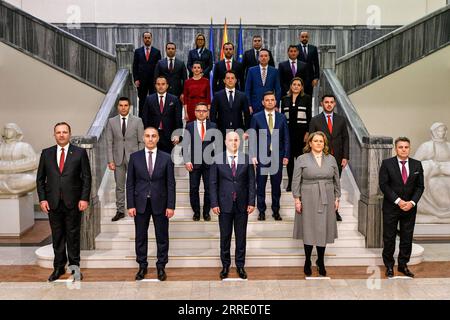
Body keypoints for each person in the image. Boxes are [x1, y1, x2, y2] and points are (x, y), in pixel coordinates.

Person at [36, 122, 92, 282]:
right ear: (54, 134)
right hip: (53, 202)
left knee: (73, 236)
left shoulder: (80, 153)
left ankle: (74, 268)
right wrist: (42, 199)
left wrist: (84, 198)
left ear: (69, 134)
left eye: (65, 132)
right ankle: (58, 268)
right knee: (57, 236)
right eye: (58, 132)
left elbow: (87, 178)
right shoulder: (46, 153)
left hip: (74, 202)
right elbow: (40, 179)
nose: (61, 135)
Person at [126, 127, 176, 281]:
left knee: (162, 236)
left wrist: (171, 205)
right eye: (147, 136)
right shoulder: (134, 157)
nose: (150, 139)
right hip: (140, 203)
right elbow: (130, 183)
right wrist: (130, 205)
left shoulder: (166, 158)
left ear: (158, 138)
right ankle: (142, 266)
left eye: (153, 136)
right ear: (143, 138)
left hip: (160, 203)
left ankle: (161, 266)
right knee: (140, 236)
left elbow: (170, 184)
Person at [292, 131, 340, 277]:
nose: (319, 143)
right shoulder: (301, 159)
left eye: (321, 141)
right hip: (308, 196)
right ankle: (307, 260)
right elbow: (296, 180)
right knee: (309, 228)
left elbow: (336, 179)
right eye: (316, 141)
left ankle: (320, 260)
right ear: (310, 143)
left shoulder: (331, 159)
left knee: (322, 229)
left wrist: (337, 197)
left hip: (327, 195)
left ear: (324, 144)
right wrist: (297, 199)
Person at [210, 131, 256, 280]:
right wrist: (214, 203)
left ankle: (240, 266)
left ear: (240, 142)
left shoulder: (247, 159)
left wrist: (251, 201)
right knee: (225, 236)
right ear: (225, 142)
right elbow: (213, 184)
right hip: (223, 205)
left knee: (241, 237)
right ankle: (225, 266)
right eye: (231, 140)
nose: (234, 142)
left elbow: (251, 183)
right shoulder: (217, 160)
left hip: (242, 204)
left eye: (236, 140)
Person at [379, 137, 424, 278]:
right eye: (400, 147)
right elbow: (384, 185)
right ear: (395, 148)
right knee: (389, 237)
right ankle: (389, 266)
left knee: (407, 237)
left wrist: (412, 203)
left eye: (406, 147)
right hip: (391, 207)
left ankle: (403, 265)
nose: (404, 149)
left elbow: (420, 187)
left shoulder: (417, 165)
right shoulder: (387, 164)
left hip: (410, 208)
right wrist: (398, 201)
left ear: (409, 148)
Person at [250, 91, 289, 221]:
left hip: (277, 156)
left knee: (276, 185)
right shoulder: (256, 117)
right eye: (267, 100)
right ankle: (261, 211)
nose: (270, 102)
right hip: (261, 156)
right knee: (260, 185)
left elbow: (286, 138)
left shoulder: (282, 117)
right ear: (263, 102)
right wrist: (253, 155)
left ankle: (276, 210)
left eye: (272, 100)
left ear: (275, 101)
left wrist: (286, 155)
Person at [309, 94, 349, 221]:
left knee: (335, 185)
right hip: (321, 158)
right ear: (322, 104)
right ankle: (321, 210)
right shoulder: (315, 120)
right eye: (326, 102)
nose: (329, 104)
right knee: (322, 185)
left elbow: (345, 139)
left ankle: (335, 210)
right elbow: (311, 139)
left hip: (337, 158)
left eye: (331, 102)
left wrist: (345, 156)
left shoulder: (341, 120)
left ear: (335, 104)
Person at [106, 97, 144, 222]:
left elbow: (141, 141)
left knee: (136, 185)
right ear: (118, 107)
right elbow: (109, 142)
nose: (123, 107)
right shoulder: (111, 121)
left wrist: (139, 158)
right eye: (121, 105)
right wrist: (110, 160)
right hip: (118, 159)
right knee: (119, 186)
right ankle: (120, 210)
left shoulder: (138, 121)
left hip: (134, 158)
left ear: (129, 106)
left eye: (126, 105)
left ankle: (137, 208)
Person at [183, 102, 217, 222]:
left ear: (207, 113)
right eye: (199, 110)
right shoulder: (189, 126)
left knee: (209, 189)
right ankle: (196, 212)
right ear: (195, 112)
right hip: (194, 162)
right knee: (194, 189)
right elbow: (185, 145)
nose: (201, 113)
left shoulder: (213, 126)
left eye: (204, 110)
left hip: (209, 163)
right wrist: (186, 161)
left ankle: (206, 212)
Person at [280, 77, 312, 192]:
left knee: (300, 159)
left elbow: (309, 116)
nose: (296, 86)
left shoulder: (306, 98)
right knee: (289, 160)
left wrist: (308, 132)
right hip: (288, 133)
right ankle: (290, 183)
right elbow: (282, 117)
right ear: (291, 86)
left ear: (302, 87)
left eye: (299, 84)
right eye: (294, 84)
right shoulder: (284, 99)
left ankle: (300, 183)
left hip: (301, 134)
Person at [413, 122, 450, 217]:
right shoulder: (426, 146)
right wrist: (431, 165)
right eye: (439, 130)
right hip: (432, 172)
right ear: (433, 132)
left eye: (443, 130)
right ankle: (433, 209)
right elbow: (415, 164)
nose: (441, 132)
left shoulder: (448, 146)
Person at [142, 76, 183, 154]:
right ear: (155, 85)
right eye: (158, 84)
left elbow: (178, 118)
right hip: (153, 135)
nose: (161, 86)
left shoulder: (174, 99)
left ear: (167, 85)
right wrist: (146, 133)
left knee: (168, 161)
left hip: (169, 135)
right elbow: (145, 117)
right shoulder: (149, 99)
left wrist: (177, 134)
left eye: (163, 84)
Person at [210, 70, 250, 137]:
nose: (230, 80)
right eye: (228, 78)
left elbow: (247, 115)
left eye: (232, 78)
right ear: (224, 80)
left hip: (238, 130)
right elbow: (213, 114)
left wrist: (246, 130)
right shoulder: (217, 95)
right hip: (221, 131)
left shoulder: (242, 96)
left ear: (236, 80)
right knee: (222, 148)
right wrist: (214, 130)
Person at [0, 123, 37, 195]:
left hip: (18, 176)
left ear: (16, 132)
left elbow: (33, 163)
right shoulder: (1, 146)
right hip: (2, 176)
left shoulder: (24, 146)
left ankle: (4, 188)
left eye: (10, 130)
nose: (7, 132)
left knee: (32, 179)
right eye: (6, 130)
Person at [132, 32, 162, 118]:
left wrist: (158, 80)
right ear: (143, 39)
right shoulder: (138, 51)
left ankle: (153, 117)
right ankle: (141, 118)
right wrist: (136, 79)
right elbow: (135, 66)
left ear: (151, 39)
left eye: (149, 37)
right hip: (142, 81)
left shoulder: (156, 52)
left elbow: (159, 67)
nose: (147, 39)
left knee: (154, 100)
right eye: (145, 37)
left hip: (153, 81)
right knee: (142, 100)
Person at [245, 49, 281, 114]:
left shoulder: (275, 71)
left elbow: (278, 89)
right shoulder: (251, 70)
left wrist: (276, 105)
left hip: (270, 105)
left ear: (269, 58)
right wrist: (249, 105)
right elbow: (247, 89)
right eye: (261, 56)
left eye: (265, 56)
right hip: (254, 106)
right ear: (258, 58)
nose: (263, 58)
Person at [297, 31, 320, 96]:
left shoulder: (313, 48)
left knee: (309, 96)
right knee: (298, 96)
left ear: (308, 38)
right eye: (302, 37)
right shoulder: (296, 48)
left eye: (306, 37)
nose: (304, 38)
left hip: (310, 78)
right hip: (298, 77)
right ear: (300, 38)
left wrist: (316, 78)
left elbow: (316, 64)